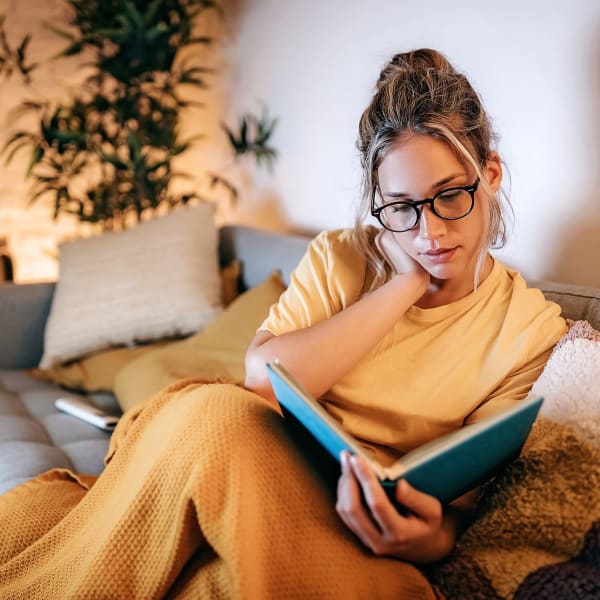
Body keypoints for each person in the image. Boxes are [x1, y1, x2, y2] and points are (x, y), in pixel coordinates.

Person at [0, 48, 565, 599]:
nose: (429, 234)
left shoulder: (528, 333)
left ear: (489, 174)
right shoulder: (342, 258)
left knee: (215, 583)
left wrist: (422, 540)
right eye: (401, 207)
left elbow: (461, 513)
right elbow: (265, 382)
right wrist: (405, 286)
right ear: (379, 203)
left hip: (353, 532)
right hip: (250, 463)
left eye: (449, 197)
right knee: (216, 414)